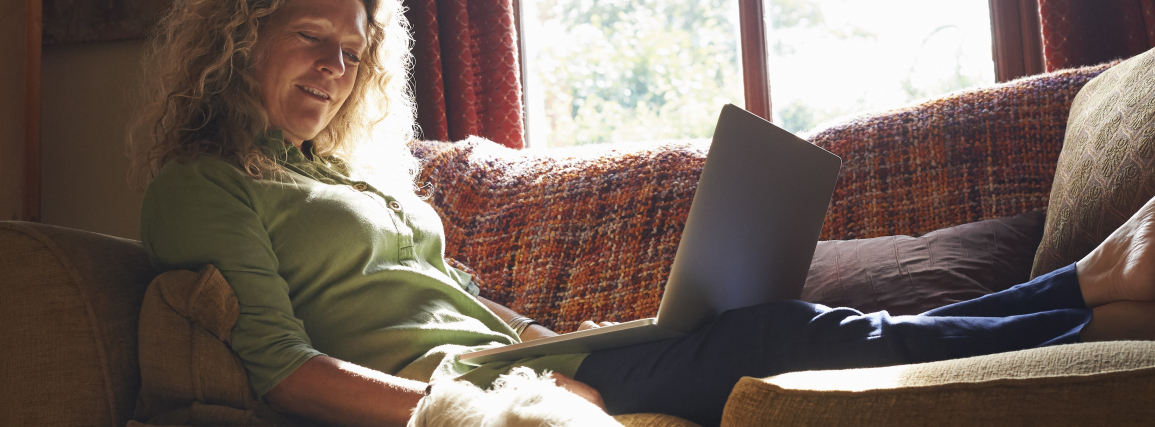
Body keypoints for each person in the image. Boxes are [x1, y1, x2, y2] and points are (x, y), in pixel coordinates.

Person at [133, 0, 1155, 425]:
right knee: (768, 337)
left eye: (353, 51)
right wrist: (476, 409)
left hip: (521, 358)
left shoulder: (341, 176)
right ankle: (1077, 295)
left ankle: (1077, 299)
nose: (335, 67)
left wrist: (555, 338)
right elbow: (280, 364)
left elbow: (447, 301)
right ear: (241, 33)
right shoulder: (205, 185)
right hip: (469, 391)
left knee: (748, 322)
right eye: (312, 37)